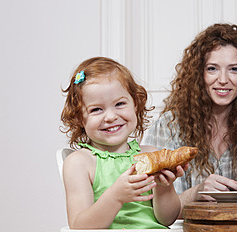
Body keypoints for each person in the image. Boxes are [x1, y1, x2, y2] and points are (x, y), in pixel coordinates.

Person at [144, 23, 237, 212]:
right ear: (199, 74)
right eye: (212, 68)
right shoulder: (169, 126)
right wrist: (197, 192)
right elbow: (154, 212)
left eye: (234, 69)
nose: (222, 79)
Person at [60, 57, 186, 229]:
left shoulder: (149, 155)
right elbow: (80, 227)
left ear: (135, 104)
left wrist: (165, 188)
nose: (111, 117)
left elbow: (167, 219)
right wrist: (115, 197)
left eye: (119, 104)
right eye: (96, 109)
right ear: (79, 118)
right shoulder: (79, 163)